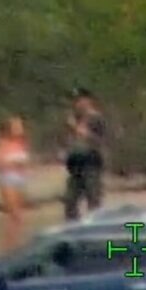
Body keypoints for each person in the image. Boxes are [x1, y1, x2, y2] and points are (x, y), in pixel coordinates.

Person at [63, 90, 106, 221]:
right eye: (77, 101)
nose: (78, 104)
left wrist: (82, 131)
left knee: (93, 199)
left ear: (88, 101)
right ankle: (73, 228)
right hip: (75, 164)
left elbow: (102, 140)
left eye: (81, 100)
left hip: (91, 162)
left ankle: (97, 228)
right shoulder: (74, 119)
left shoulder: (97, 118)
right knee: (70, 200)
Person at [0, 117, 30, 251]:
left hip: (20, 178)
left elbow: (25, 161)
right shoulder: (1, 143)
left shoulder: (21, 143)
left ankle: (16, 245)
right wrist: (14, 164)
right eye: (17, 126)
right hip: (8, 178)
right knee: (14, 214)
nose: (20, 128)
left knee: (19, 216)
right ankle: (8, 247)